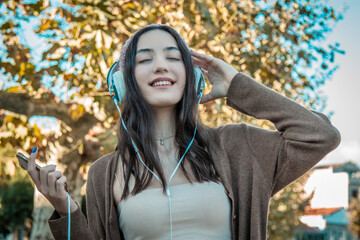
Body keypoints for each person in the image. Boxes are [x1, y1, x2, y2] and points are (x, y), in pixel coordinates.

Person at [26, 24, 340, 239]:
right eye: (145, 59)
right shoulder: (103, 173)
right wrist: (65, 209)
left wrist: (236, 85)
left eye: (173, 57)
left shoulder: (238, 147)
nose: (161, 66)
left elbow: (320, 135)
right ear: (124, 84)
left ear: (192, 78)